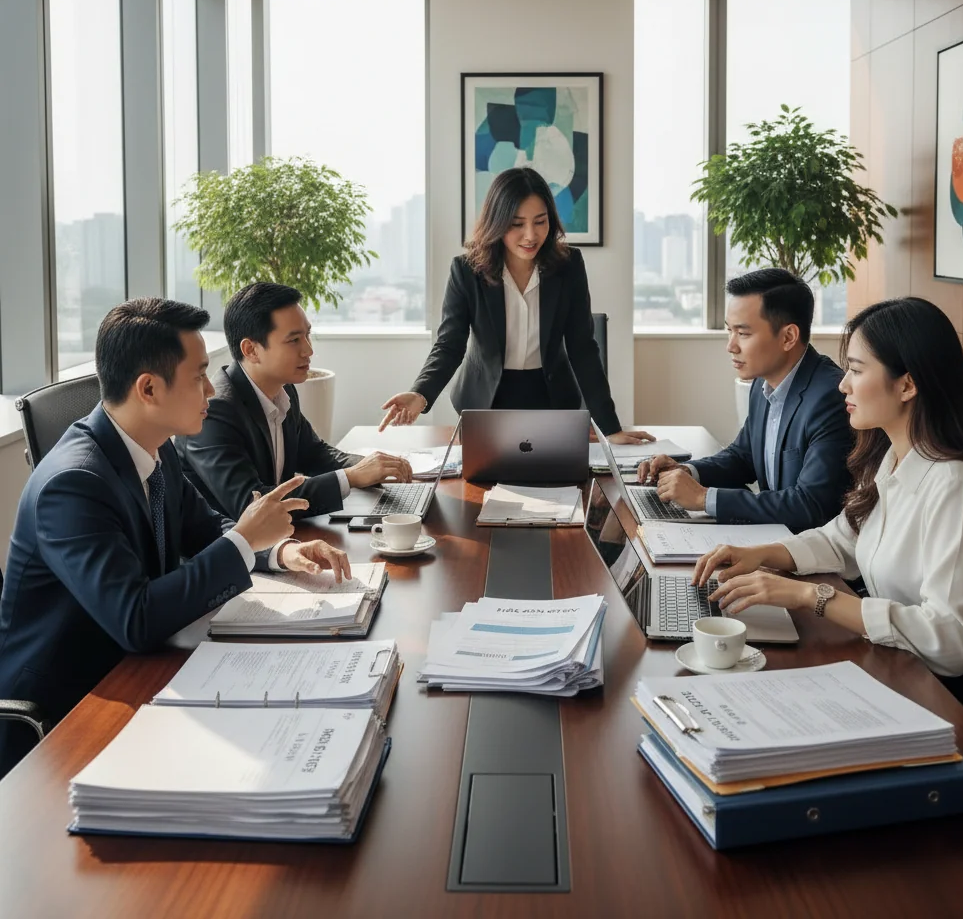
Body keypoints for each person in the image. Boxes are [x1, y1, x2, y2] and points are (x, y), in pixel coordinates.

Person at [0, 298, 353, 777]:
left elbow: (206, 528)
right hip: (65, 719)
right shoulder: (73, 483)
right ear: (148, 388)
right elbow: (136, 618)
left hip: (141, 675)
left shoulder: (154, 447)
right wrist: (244, 540)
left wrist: (280, 550)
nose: (211, 389)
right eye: (199, 376)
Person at [693, 297, 963, 723]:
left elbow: (950, 642)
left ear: (907, 385)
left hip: (962, 696)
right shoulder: (894, 458)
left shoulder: (956, 485)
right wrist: (760, 555)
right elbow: (843, 538)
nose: (843, 386)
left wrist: (809, 596)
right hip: (903, 664)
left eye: (856, 370)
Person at [378, 166, 653, 445]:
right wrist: (421, 393)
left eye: (540, 221)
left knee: (557, 472)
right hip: (485, 402)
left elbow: (582, 348)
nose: (530, 235)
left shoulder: (568, 266)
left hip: (552, 400)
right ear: (496, 222)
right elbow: (450, 344)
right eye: (517, 224)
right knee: (482, 474)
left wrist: (610, 428)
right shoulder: (466, 271)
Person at [637, 268, 853, 532]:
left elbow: (811, 505)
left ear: (788, 337)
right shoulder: (763, 382)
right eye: (730, 331)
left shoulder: (830, 397)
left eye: (743, 333)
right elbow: (743, 457)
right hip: (773, 536)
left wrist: (704, 498)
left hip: (808, 549)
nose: (731, 346)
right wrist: (685, 472)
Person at [177, 282, 412, 520]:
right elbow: (252, 504)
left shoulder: (283, 389)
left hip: (278, 537)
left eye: (307, 335)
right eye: (294, 340)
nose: (308, 350)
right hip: (229, 542)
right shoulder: (214, 411)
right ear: (251, 350)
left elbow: (314, 454)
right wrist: (350, 477)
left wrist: (375, 466)